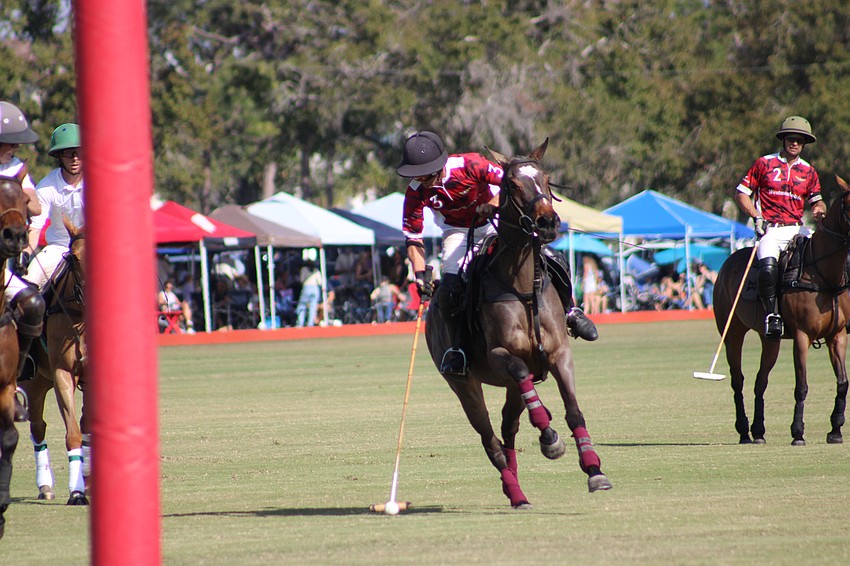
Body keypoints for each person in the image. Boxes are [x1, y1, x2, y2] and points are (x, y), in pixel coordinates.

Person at [397, 131, 596, 377]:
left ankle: (571, 312)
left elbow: (513, 182)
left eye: (425, 172)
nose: (420, 178)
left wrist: (491, 204)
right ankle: (458, 350)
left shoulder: (469, 164)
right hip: (457, 231)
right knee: (449, 289)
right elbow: (413, 236)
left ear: (439, 164)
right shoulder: (416, 191)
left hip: (496, 219)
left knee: (552, 258)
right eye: (416, 173)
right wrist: (419, 273)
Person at [733, 115, 825, 338]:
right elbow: (741, 194)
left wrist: (819, 209)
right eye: (791, 138)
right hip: (771, 229)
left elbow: (817, 200)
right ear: (783, 140)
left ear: (804, 144)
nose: (795, 143)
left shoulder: (809, 171)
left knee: (832, 256)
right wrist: (756, 216)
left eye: (800, 140)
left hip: (798, 228)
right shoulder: (764, 163)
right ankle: (772, 315)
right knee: (767, 268)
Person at [0, 102, 45, 422]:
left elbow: (38, 208)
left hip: (5, 267)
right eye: (11, 140)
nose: (16, 146)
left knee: (33, 304)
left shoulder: (17, 169)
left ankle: (17, 372)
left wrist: (19, 194)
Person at [26, 123, 86, 290]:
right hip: (59, 247)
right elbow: (35, 229)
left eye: (79, 152)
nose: (75, 158)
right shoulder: (46, 187)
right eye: (68, 153)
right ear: (59, 156)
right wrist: (25, 253)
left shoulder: (98, 181)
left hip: (92, 246)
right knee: (29, 280)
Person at [295, 260, 322, 327]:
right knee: (313, 307)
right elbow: (320, 282)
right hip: (315, 288)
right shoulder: (316, 270)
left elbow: (301, 280)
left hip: (307, 287)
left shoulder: (304, 269)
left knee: (302, 305)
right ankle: (310, 323)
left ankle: (300, 323)